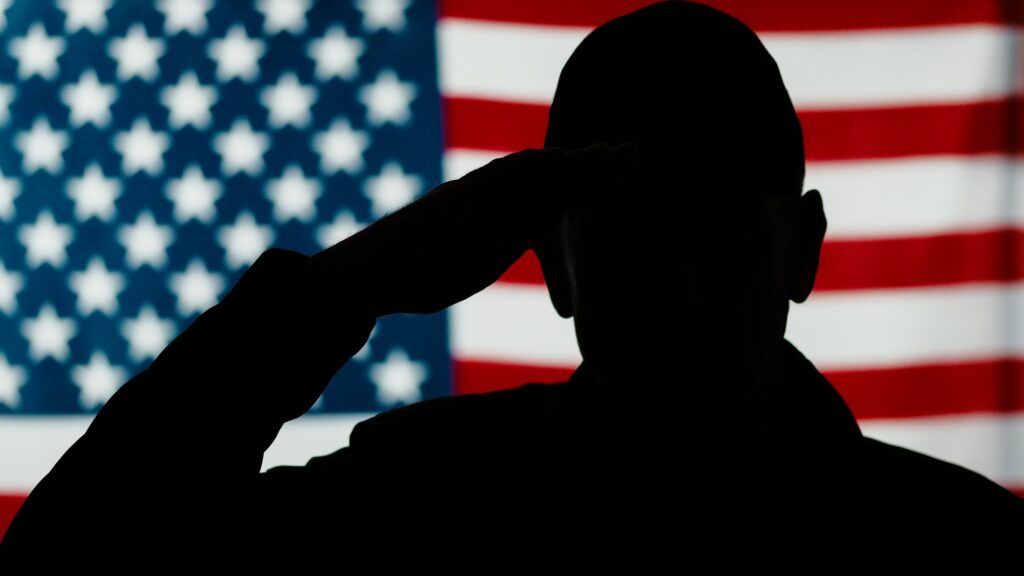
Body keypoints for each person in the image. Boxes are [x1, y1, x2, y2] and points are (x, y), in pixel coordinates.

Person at [1, 1, 1021, 573]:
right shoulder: (950, 550)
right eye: (631, 214)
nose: (669, 261)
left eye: (704, 205)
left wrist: (344, 289)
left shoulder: (425, 518)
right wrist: (343, 288)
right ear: (551, 263)